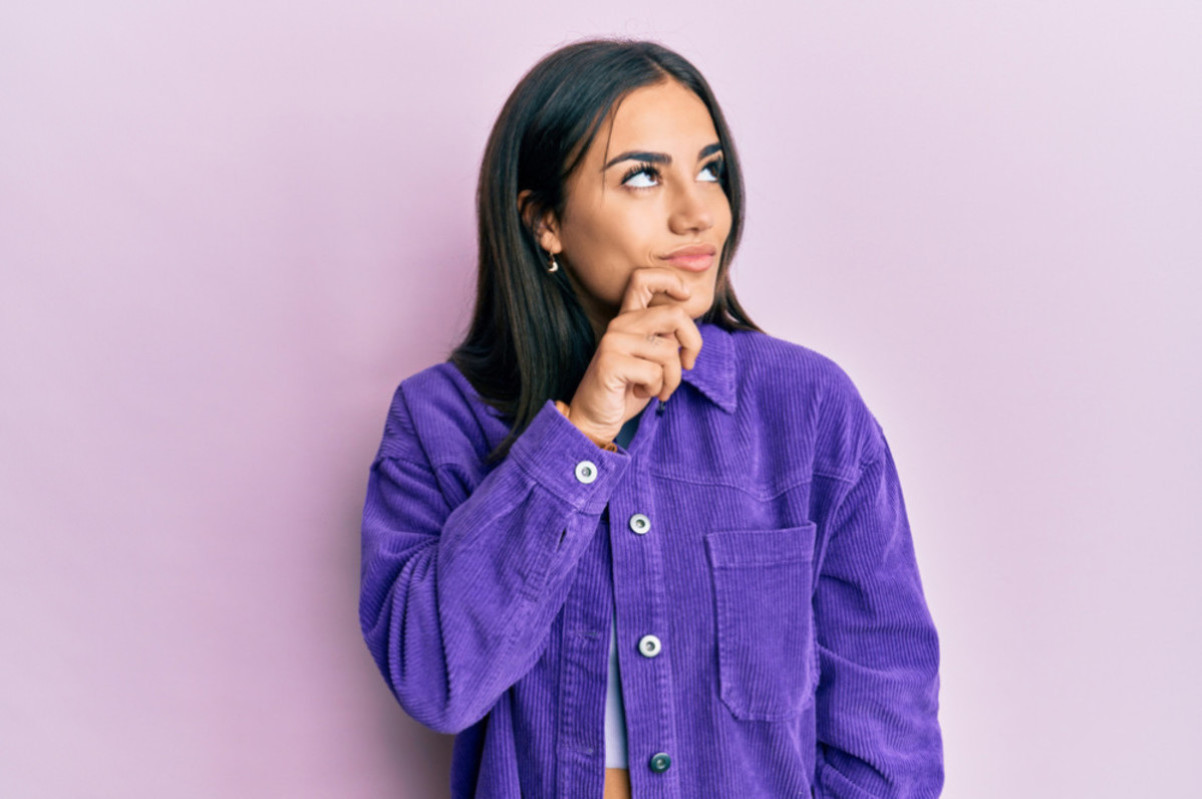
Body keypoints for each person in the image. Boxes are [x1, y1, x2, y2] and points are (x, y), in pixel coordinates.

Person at [358, 38, 944, 798]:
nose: (699, 211)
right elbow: (437, 679)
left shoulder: (809, 412)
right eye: (642, 175)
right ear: (544, 222)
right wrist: (581, 433)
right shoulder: (439, 421)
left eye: (710, 170)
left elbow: (887, 716)